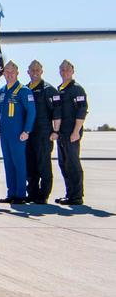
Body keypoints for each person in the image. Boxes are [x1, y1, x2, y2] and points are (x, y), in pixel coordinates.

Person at [0, 61, 36, 204]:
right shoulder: (1, 91)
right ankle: (11, 192)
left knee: (19, 163)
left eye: (12, 72)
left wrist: (27, 130)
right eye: (6, 72)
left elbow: (31, 112)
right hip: (5, 133)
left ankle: (20, 194)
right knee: (8, 163)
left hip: (18, 133)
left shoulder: (24, 90)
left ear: (17, 73)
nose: (9, 75)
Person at [25, 60, 62, 204]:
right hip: (29, 134)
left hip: (43, 134)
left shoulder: (49, 90)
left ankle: (43, 195)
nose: (35, 73)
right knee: (30, 165)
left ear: (42, 72)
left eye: (37, 70)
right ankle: (32, 193)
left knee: (43, 165)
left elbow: (57, 112)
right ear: (28, 72)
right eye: (32, 70)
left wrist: (56, 131)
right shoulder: (25, 89)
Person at [55, 59, 88, 205]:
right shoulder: (60, 89)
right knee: (63, 163)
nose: (65, 72)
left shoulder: (77, 89)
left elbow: (82, 111)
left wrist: (76, 131)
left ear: (73, 71)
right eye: (62, 69)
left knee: (73, 164)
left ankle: (76, 196)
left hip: (71, 132)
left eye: (67, 69)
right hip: (61, 133)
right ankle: (70, 193)